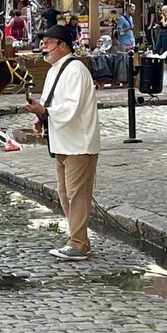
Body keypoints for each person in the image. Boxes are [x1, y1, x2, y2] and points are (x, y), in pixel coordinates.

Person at [24, 25, 101, 260]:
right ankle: (77, 239)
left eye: (48, 42)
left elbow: (71, 107)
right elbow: (53, 104)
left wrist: (45, 112)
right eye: (43, 42)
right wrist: (41, 117)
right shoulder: (55, 70)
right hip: (63, 142)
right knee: (65, 193)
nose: (43, 47)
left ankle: (77, 244)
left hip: (78, 142)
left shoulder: (75, 69)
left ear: (63, 45)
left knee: (76, 194)